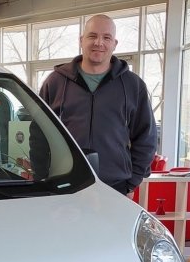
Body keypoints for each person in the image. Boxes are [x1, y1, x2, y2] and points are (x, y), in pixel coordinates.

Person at [39, 14, 157, 196]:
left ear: (114, 44)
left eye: (106, 37)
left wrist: (132, 181)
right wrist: (43, 177)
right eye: (92, 36)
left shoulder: (133, 85)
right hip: (63, 185)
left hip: (116, 186)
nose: (99, 43)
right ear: (81, 40)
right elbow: (38, 133)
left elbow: (146, 137)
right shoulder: (55, 82)